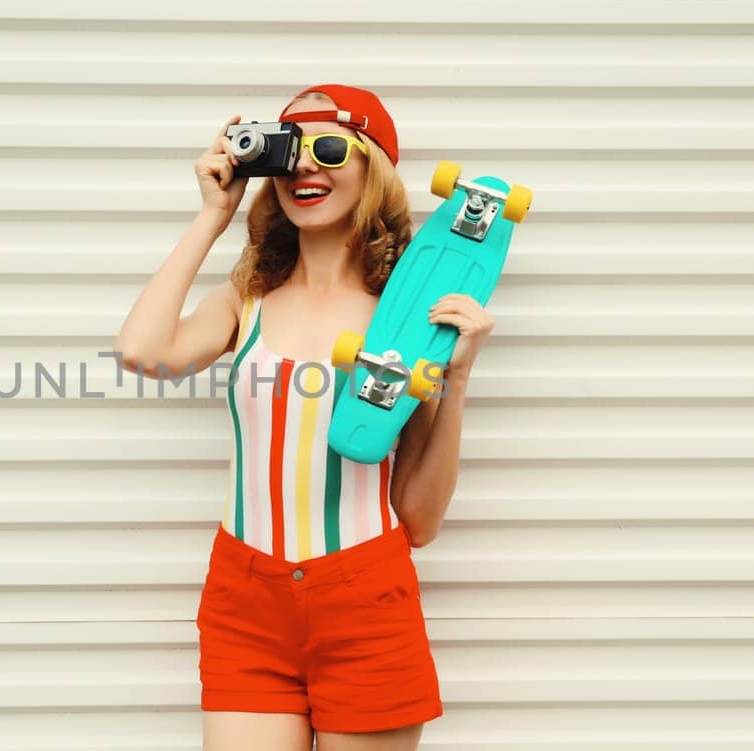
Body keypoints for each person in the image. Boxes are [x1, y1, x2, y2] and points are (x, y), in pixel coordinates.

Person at [115, 84, 493, 751]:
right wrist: (213, 214)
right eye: (289, 153)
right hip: (244, 594)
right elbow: (144, 351)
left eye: (328, 149)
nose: (305, 169)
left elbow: (422, 522)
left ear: (373, 168)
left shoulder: (408, 314)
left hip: (366, 596)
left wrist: (455, 378)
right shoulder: (247, 297)